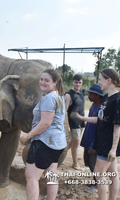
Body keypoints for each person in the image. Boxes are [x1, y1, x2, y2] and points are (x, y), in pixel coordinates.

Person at [71, 68, 120, 200]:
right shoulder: (106, 98)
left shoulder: (117, 100)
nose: (99, 83)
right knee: (112, 173)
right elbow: (100, 119)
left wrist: (113, 149)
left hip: (108, 143)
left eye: (100, 79)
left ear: (108, 80)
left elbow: (117, 126)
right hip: (102, 141)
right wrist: (82, 118)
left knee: (99, 173)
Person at [20, 68, 67, 200]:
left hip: (45, 142)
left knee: (31, 177)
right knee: (51, 174)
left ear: (55, 82)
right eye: (41, 79)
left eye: (47, 80)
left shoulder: (49, 98)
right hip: (57, 143)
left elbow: (45, 123)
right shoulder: (59, 96)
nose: (42, 82)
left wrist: (28, 136)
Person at [80, 83, 103, 193]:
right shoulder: (93, 105)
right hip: (88, 139)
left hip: (94, 142)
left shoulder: (101, 109)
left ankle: (97, 186)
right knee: (89, 163)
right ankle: (95, 181)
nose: (89, 95)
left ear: (98, 95)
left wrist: (93, 145)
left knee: (94, 165)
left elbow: (99, 130)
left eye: (91, 94)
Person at [65, 74, 85, 170]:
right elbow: (64, 111)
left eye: (79, 82)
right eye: (76, 82)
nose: (78, 84)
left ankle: (59, 155)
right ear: (72, 82)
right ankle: (75, 163)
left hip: (80, 122)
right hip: (73, 123)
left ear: (82, 83)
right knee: (76, 143)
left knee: (73, 142)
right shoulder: (69, 95)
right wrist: (67, 125)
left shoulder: (82, 93)